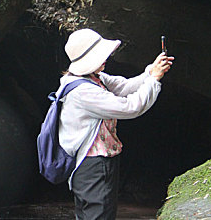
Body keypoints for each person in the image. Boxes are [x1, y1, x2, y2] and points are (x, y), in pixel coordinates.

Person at [57, 28, 174, 220]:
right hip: (93, 164)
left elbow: (125, 87)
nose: (105, 58)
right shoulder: (83, 92)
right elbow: (130, 107)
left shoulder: (92, 78)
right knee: (99, 215)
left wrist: (151, 71)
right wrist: (154, 80)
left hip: (94, 163)